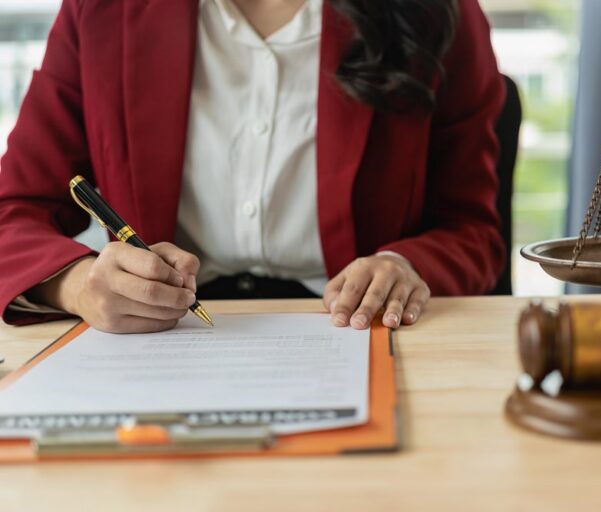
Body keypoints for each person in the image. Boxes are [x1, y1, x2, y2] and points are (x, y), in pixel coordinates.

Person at [0, 0, 505, 333]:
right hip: (164, 337)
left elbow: (472, 228)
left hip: (359, 330)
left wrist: (403, 265)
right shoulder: (103, 12)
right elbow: (15, 210)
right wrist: (79, 285)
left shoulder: (440, 13)